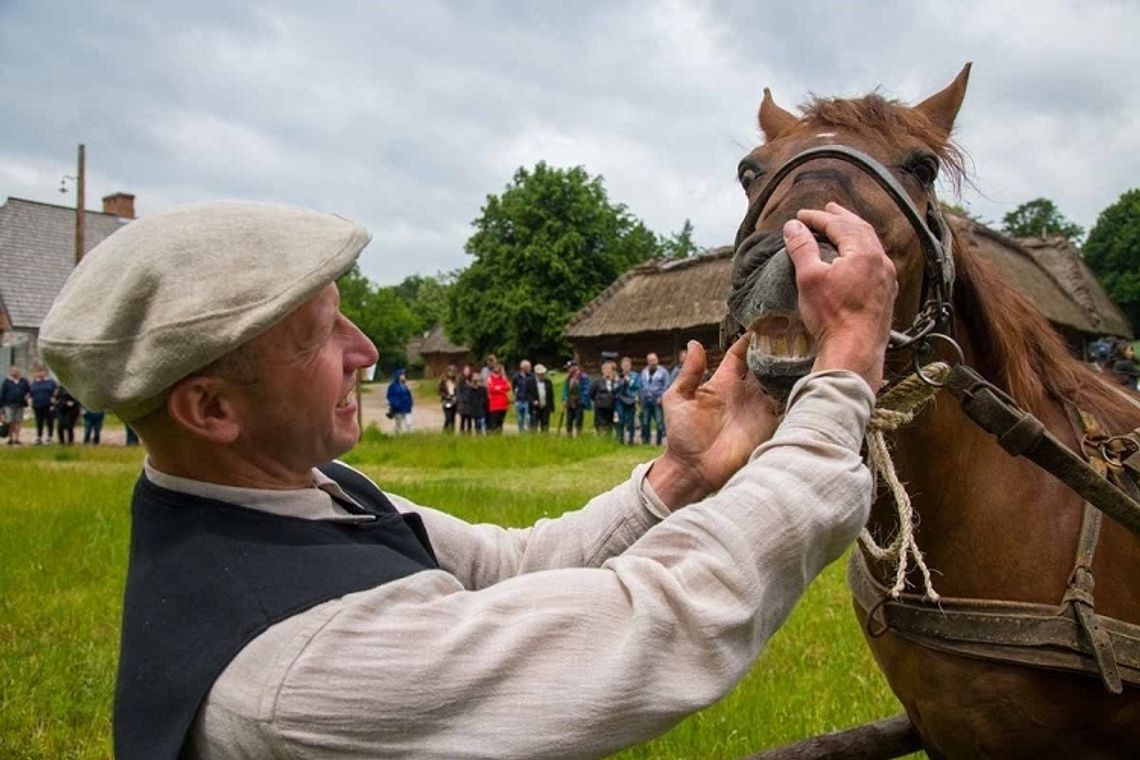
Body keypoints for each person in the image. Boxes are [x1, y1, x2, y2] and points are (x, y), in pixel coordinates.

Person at [39, 200, 896, 759]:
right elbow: (661, 622)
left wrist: (681, 473)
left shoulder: (300, 495)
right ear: (211, 410)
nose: (367, 353)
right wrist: (847, 365)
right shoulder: (298, 671)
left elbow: (506, 568)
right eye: (320, 335)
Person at [639, 352, 671, 445]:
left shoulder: (663, 372)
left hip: (657, 400)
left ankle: (658, 442)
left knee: (659, 422)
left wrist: (661, 397)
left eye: (654, 360)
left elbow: (667, 385)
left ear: (657, 360)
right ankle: (646, 441)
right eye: (650, 360)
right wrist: (641, 398)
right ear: (647, 361)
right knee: (645, 421)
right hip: (646, 400)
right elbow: (641, 386)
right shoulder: (644, 371)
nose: (652, 362)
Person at [2, 366, 31, 445]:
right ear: (10, 372)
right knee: (10, 422)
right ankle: (10, 438)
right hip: (9, 405)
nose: (15, 372)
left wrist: (27, 396)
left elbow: (29, 390)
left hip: (20, 404)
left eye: (17, 371)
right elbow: (3, 394)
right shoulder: (6, 382)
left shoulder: (23, 381)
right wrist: (1, 407)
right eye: (13, 371)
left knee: (18, 421)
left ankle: (17, 438)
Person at [615, 355, 641, 445]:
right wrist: (618, 382)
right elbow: (615, 389)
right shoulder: (618, 376)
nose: (625, 366)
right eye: (624, 365)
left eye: (627, 365)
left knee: (631, 421)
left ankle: (631, 441)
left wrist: (629, 381)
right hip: (620, 401)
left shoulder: (635, 375)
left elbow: (638, 387)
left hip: (631, 400)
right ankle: (621, 439)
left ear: (630, 365)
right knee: (621, 420)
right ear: (621, 366)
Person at [29, 366, 58, 445]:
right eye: (38, 372)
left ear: (45, 373)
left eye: (41, 371)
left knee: (49, 421)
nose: (39, 373)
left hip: (48, 405)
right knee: (39, 421)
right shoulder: (34, 383)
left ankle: (49, 437)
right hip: (37, 405)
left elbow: (56, 392)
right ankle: (39, 437)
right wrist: (30, 401)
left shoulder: (51, 382)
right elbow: (31, 393)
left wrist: (54, 400)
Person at [590, 360, 618, 434]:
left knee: (609, 425)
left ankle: (608, 437)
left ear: (612, 371)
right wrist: (598, 400)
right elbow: (591, 394)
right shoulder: (597, 381)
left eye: (609, 369)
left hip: (611, 407)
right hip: (600, 407)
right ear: (602, 370)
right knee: (600, 425)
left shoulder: (614, 381)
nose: (607, 371)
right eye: (605, 369)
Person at [511, 360, 536, 433]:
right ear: (523, 368)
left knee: (527, 418)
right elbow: (514, 388)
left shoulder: (532, 376)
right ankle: (521, 432)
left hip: (527, 401)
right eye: (529, 367)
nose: (530, 368)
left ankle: (527, 433)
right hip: (519, 401)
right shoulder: (516, 377)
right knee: (519, 419)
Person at [386, 369, 414, 434]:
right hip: (398, 408)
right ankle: (397, 435)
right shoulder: (392, 386)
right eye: (402, 375)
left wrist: (410, 403)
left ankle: (409, 435)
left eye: (403, 375)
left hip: (407, 407)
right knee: (399, 423)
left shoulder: (406, 386)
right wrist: (394, 404)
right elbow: (390, 396)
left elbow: (409, 395)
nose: (403, 376)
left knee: (408, 422)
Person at [562, 362, 586, 437]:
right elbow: (565, 389)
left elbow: (586, 389)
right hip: (569, 401)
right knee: (569, 419)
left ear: (575, 367)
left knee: (579, 419)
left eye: (569, 368)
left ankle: (579, 434)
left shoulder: (583, 377)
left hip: (579, 400)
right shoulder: (568, 378)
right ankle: (569, 434)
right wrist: (564, 399)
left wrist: (583, 400)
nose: (568, 369)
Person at [485, 364, 511, 432]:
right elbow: (491, 389)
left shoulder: (503, 378)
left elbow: (508, 387)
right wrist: (501, 389)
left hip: (503, 404)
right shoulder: (490, 378)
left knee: (500, 423)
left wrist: (499, 388)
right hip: (494, 405)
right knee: (494, 424)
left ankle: (499, 437)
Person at [531, 363, 555, 432]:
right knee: (534, 424)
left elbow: (551, 395)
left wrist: (552, 407)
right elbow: (528, 394)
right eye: (540, 374)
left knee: (545, 423)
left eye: (543, 374)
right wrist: (533, 401)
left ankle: (544, 436)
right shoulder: (530, 382)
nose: (542, 375)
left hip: (545, 406)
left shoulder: (548, 382)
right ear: (536, 374)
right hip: (535, 407)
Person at [438, 365, 459, 432]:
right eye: (450, 371)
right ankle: (444, 431)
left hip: (454, 401)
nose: (451, 373)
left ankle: (452, 432)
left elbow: (458, 391)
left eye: (453, 372)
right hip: (446, 401)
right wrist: (446, 396)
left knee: (453, 418)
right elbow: (439, 391)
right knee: (448, 417)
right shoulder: (443, 381)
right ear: (447, 372)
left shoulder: (456, 381)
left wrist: (456, 396)